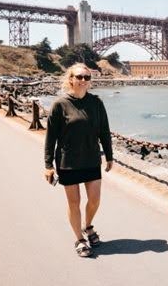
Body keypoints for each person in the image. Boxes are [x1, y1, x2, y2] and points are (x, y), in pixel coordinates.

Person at [44, 63, 114, 258]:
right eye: (80, 77)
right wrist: (48, 165)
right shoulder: (60, 105)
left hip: (92, 159)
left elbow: (104, 131)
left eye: (87, 77)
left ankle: (88, 225)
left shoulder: (97, 103)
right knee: (74, 202)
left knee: (95, 199)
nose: (83, 80)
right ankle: (80, 239)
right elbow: (51, 137)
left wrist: (109, 156)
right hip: (68, 162)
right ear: (71, 79)